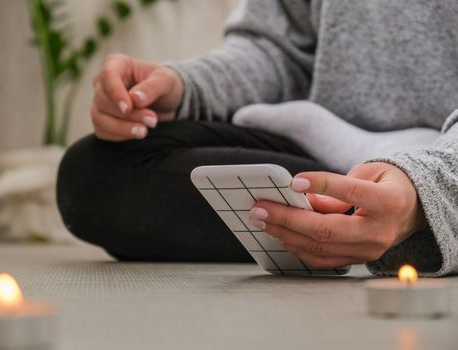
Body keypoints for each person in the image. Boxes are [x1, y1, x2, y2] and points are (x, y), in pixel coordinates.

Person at [57, 0, 458, 276]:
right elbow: (275, 49)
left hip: (449, 159)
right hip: (326, 147)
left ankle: (407, 207)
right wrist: (186, 87)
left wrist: (427, 192)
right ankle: (363, 200)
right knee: (95, 173)